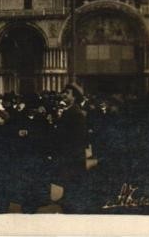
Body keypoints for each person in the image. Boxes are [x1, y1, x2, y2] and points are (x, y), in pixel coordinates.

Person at [55, 83, 89, 213]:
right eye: (64, 92)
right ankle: (67, 199)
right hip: (69, 151)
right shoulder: (70, 111)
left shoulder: (75, 113)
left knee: (72, 177)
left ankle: (71, 204)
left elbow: (78, 136)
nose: (64, 94)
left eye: (67, 93)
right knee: (68, 177)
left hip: (72, 152)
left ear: (74, 97)